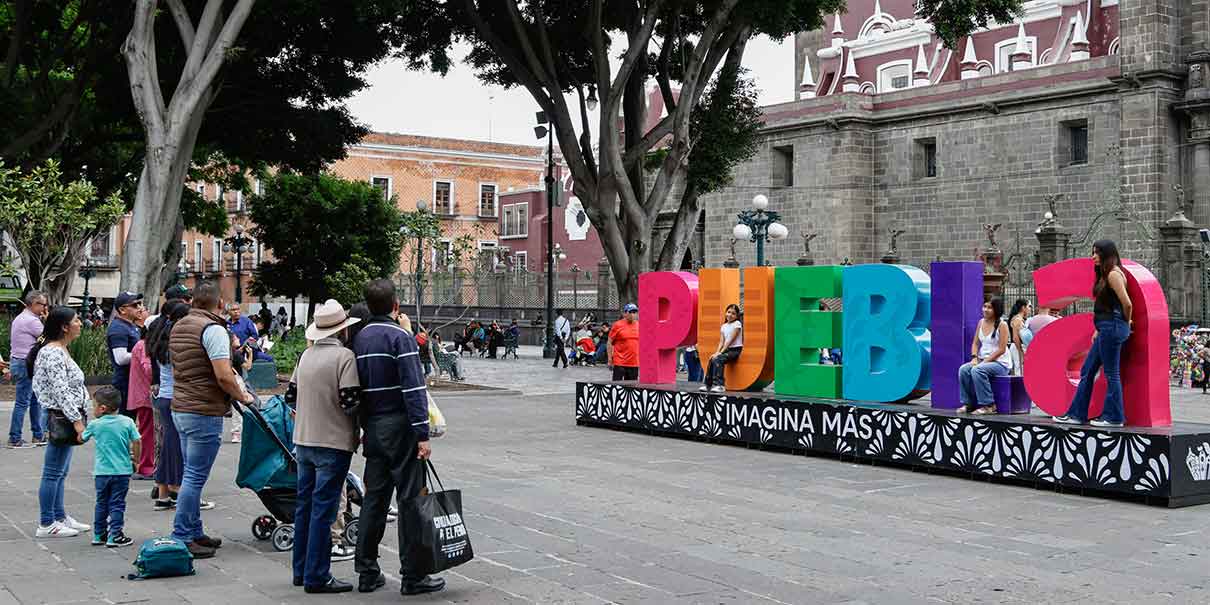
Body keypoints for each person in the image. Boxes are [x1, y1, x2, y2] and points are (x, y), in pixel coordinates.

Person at [353, 279, 444, 596]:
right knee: (410, 501)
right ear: (395, 305)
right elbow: (413, 388)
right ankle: (413, 575)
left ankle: (366, 570)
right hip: (400, 426)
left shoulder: (360, 338)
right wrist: (422, 433)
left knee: (374, 501)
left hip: (374, 427)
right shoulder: (399, 337)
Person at [169, 282, 257, 559]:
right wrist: (244, 397)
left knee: (190, 474)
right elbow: (223, 374)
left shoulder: (180, 325)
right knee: (195, 477)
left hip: (180, 406)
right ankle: (183, 534)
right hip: (202, 410)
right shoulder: (213, 329)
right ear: (219, 304)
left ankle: (194, 530)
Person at [286, 300, 363, 594]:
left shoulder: (306, 356)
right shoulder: (345, 357)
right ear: (342, 331)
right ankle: (317, 575)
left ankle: (300, 569)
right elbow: (349, 403)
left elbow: (291, 397)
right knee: (324, 510)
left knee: (304, 506)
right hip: (333, 442)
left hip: (303, 440)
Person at [1055, 240, 1134, 427]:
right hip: (1106, 328)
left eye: (1097, 253)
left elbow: (1127, 303)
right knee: (1087, 370)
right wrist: (1099, 330)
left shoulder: (1114, 274)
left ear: (1107, 254)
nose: (1093, 257)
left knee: (1111, 373)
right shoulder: (1106, 274)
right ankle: (1076, 414)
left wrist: (1126, 321)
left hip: (1112, 327)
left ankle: (1114, 417)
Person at [31, 305, 91, 538]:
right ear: (65, 327)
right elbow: (60, 391)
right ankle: (47, 523)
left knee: (60, 471)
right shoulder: (53, 352)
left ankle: (59, 515)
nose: (80, 323)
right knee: (53, 471)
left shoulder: (60, 349)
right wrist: (76, 421)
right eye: (76, 320)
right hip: (61, 416)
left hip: (65, 415)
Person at [81, 385, 140, 548]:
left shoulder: (95, 425)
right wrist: (136, 459)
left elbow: (81, 438)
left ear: (102, 408)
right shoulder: (127, 422)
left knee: (101, 503)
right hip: (122, 471)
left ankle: (99, 534)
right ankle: (115, 535)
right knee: (117, 503)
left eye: (93, 406)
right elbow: (137, 441)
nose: (93, 410)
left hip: (101, 472)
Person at [147, 301, 189, 511]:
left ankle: (164, 493)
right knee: (175, 449)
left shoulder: (162, 340)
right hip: (175, 398)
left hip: (165, 397)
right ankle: (177, 489)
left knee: (168, 447)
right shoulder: (177, 343)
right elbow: (179, 374)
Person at [956, 298, 1012, 415]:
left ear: (996, 309)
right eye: (984, 306)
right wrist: (975, 357)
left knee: (977, 370)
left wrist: (984, 361)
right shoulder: (981, 322)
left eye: (989, 307)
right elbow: (975, 343)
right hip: (983, 360)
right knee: (964, 369)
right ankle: (968, 403)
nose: (985, 310)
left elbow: (1001, 349)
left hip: (1000, 363)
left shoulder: (1002, 325)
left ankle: (989, 405)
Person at [9, 290, 47, 448]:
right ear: (33, 304)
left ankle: (38, 435)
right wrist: (48, 320)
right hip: (27, 363)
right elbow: (48, 339)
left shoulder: (21, 318)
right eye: (42, 304)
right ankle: (15, 438)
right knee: (23, 402)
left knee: (34, 400)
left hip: (19, 361)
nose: (45, 307)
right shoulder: (32, 321)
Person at [107, 291, 145, 417]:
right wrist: (146, 354)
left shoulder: (130, 326)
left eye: (140, 304)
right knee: (125, 420)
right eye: (135, 305)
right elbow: (121, 358)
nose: (140, 308)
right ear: (122, 310)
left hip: (132, 381)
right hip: (125, 383)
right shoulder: (118, 328)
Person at [127, 325, 157, 479]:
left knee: (148, 431)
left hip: (144, 394)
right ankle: (146, 467)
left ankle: (148, 465)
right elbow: (149, 369)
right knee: (147, 432)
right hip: (146, 395)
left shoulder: (142, 344)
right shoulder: (145, 345)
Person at [701, 304, 744, 394]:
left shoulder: (737, 324)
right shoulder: (724, 326)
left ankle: (720, 385)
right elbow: (721, 341)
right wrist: (717, 352)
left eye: (733, 313)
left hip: (735, 350)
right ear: (725, 313)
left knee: (719, 359)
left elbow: (730, 341)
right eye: (728, 312)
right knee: (712, 358)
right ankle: (708, 384)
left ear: (737, 316)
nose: (730, 315)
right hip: (726, 349)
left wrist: (720, 353)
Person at [608, 304, 640, 381]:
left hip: (634, 363)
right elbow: (609, 342)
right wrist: (610, 359)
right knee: (617, 387)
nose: (633, 314)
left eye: (635, 312)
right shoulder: (617, 325)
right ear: (625, 313)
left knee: (631, 389)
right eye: (631, 312)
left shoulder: (639, 325)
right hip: (620, 362)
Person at [1006, 299, 1033, 376]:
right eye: (1029, 306)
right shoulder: (1017, 319)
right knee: (1020, 371)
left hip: (1019, 347)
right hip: (1017, 347)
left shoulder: (1020, 319)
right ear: (1023, 307)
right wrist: (1021, 352)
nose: (1030, 309)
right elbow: (1015, 337)